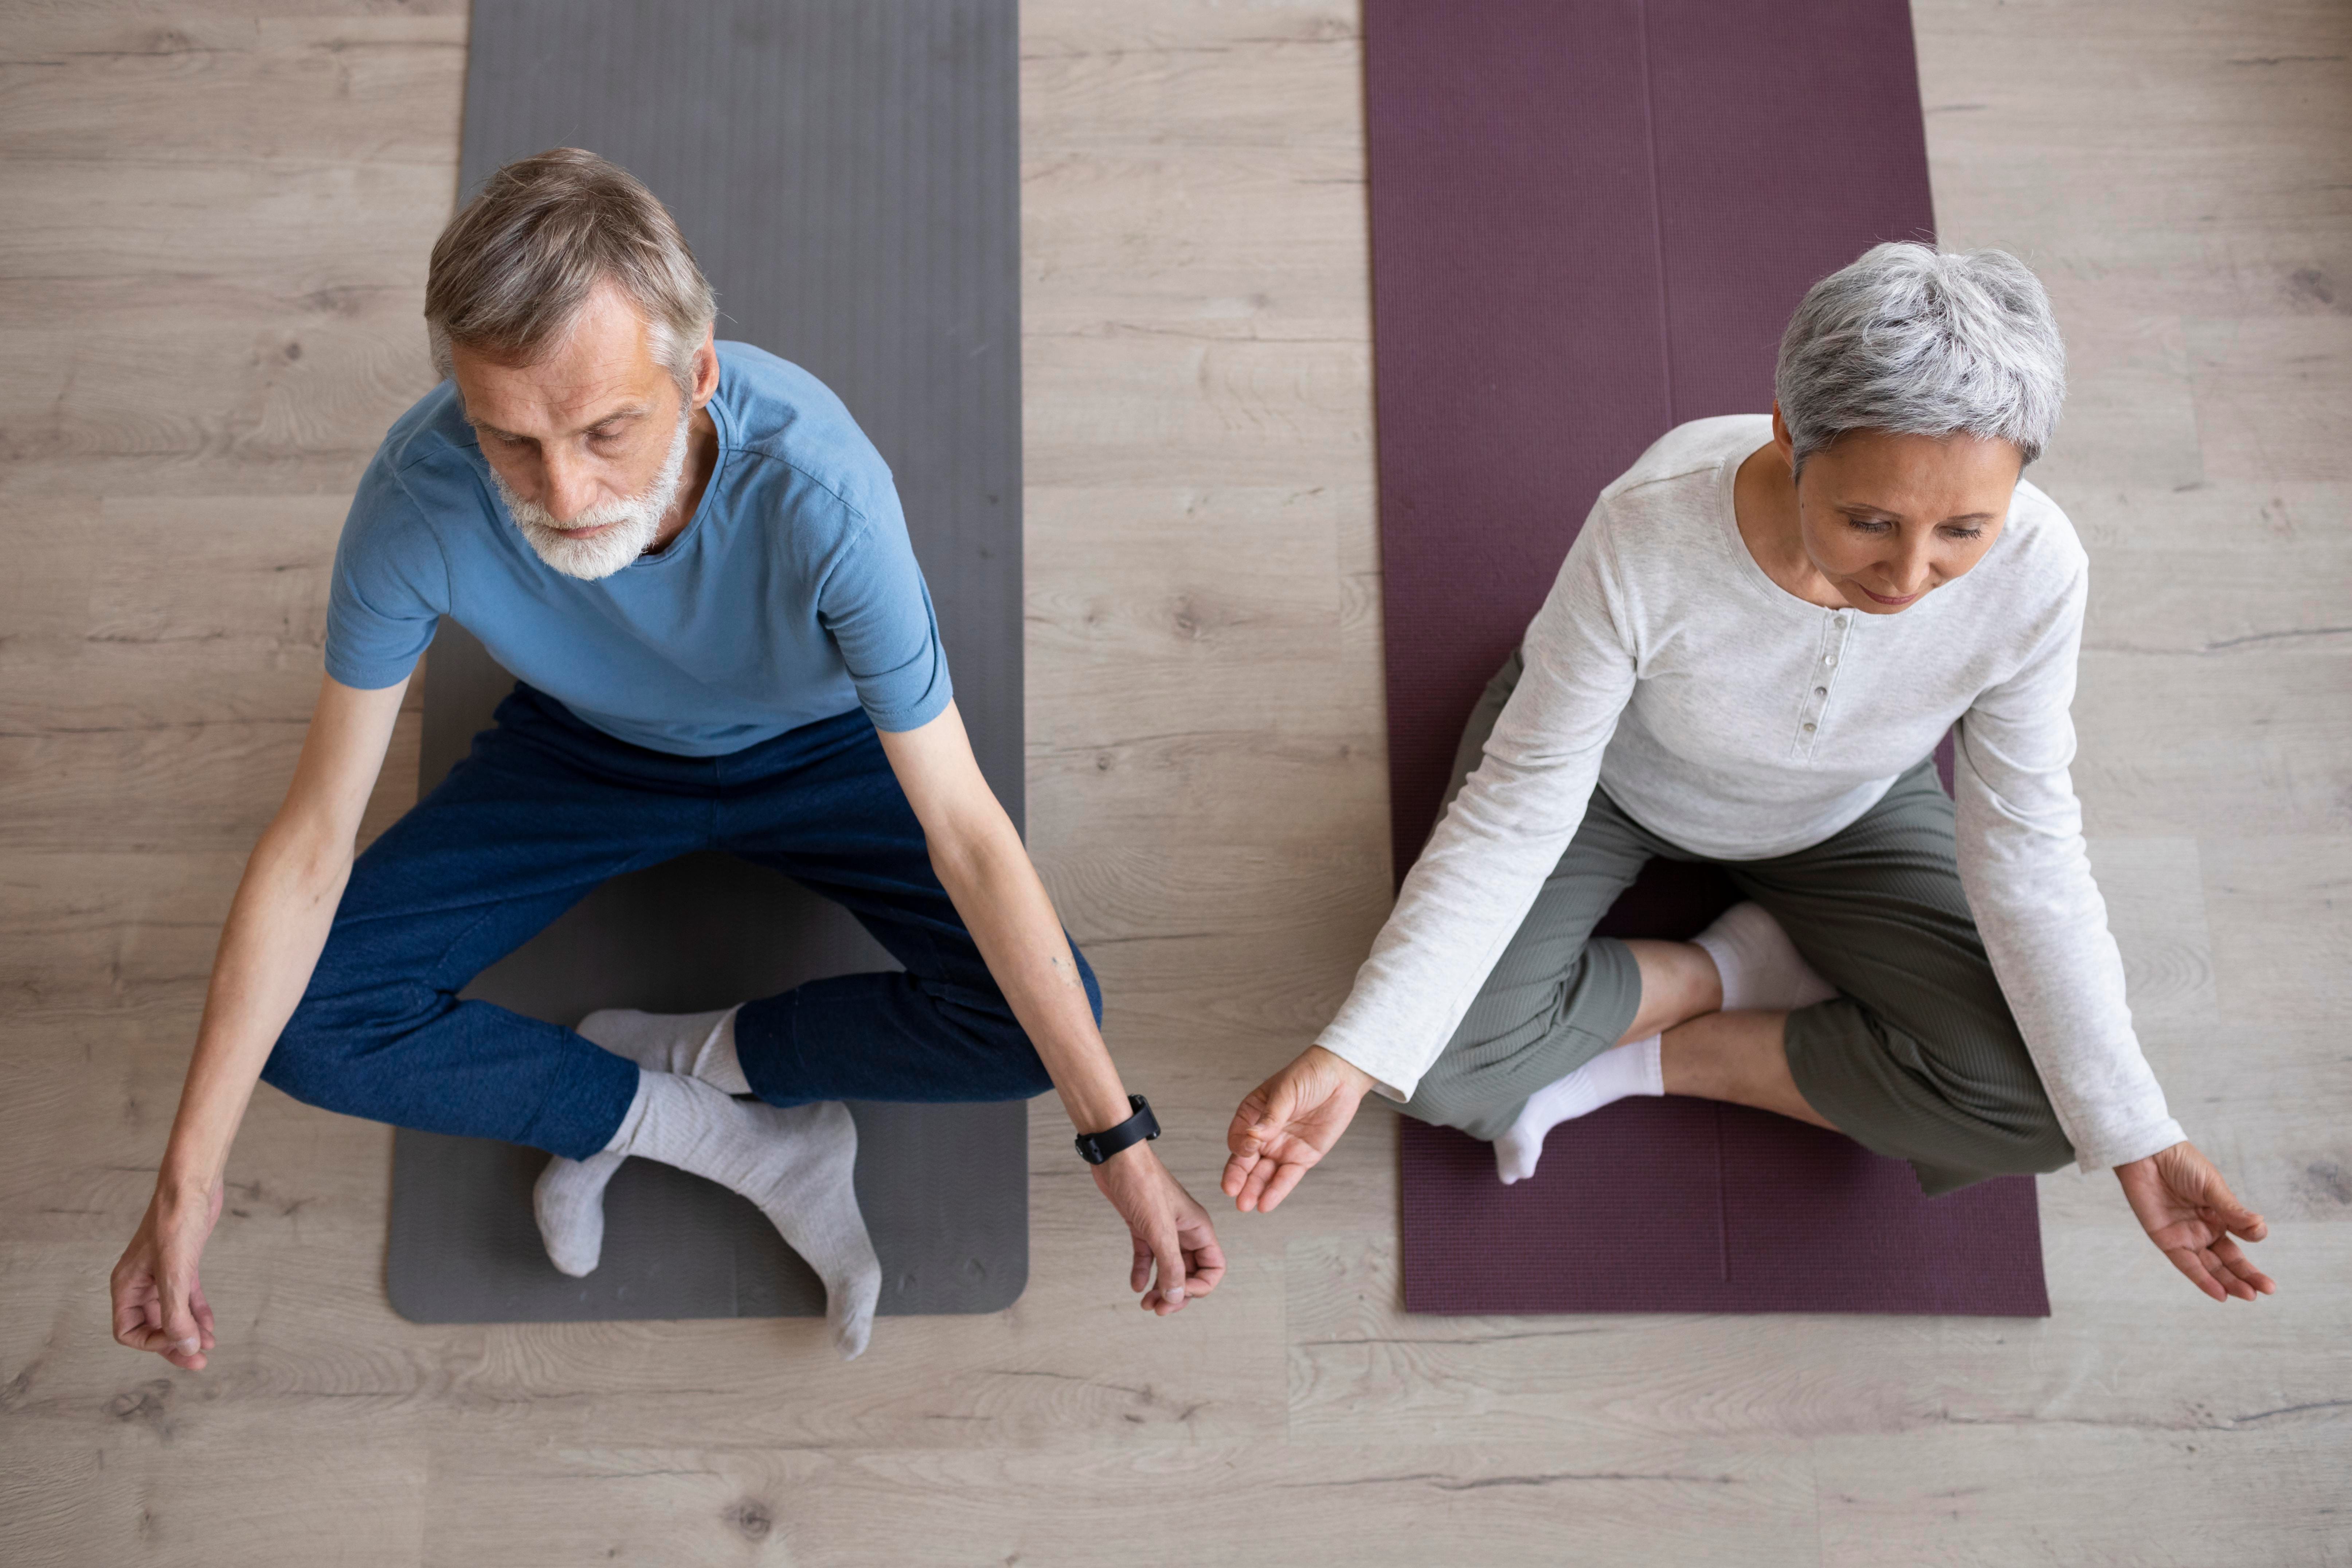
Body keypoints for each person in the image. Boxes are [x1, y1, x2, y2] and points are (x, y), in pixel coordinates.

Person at [110, 148, 1224, 1368]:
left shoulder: (823, 494)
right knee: (303, 1026)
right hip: (585, 757)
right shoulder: (415, 499)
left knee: (1045, 1038)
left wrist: (1123, 1148)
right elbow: (312, 839)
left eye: (605, 431)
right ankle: (721, 1134)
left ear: (695, 376)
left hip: (819, 747)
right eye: (512, 442)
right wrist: (188, 1183)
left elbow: (964, 831)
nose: (566, 494)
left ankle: (682, 1054)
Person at [1223, 243, 2275, 1305]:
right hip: (1611, 781)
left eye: (1964, 529)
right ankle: (1723, 970)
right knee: (1432, 1069)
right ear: (1790, 433)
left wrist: (2140, 1132)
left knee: (2061, 1108)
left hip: (1849, 814)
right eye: (1869, 521)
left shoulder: (2042, 571)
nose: (1910, 577)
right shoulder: (1648, 523)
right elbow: (1519, 807)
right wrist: (1354, 1052)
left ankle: (1677, 1027)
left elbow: (2029, 845)